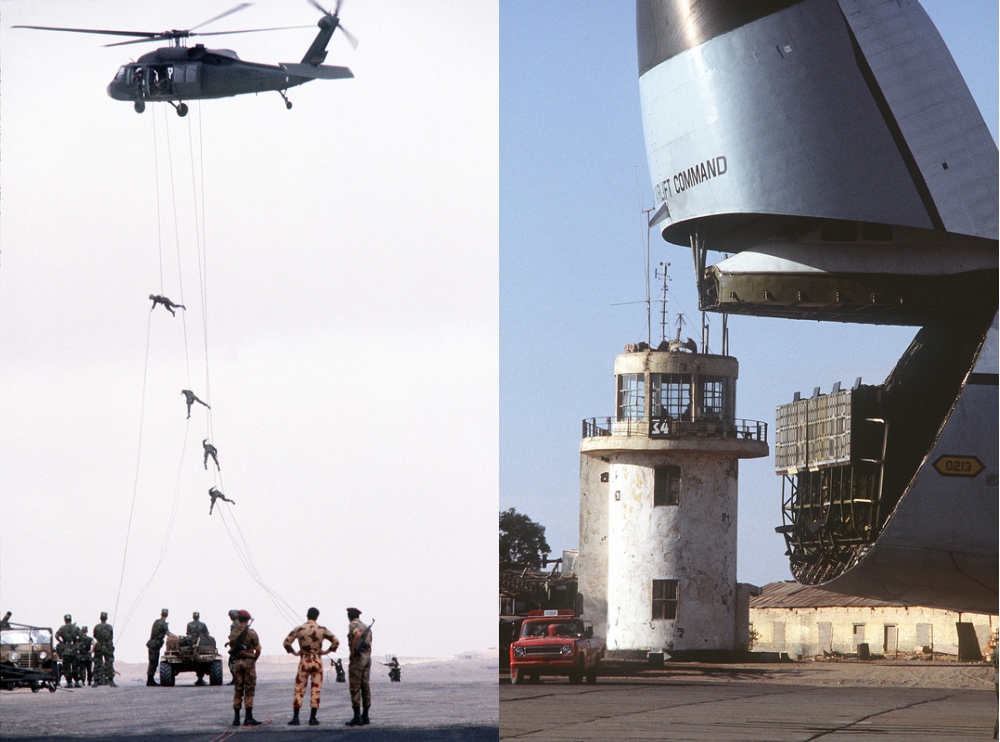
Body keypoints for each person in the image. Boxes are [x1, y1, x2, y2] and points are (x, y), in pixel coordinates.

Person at [283, 607, 340, 726]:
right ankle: (312, 718)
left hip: (305, 659)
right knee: (316, 688)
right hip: (317, 660)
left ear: (307, 615)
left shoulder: (299, 629)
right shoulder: (322, 629)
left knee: (299, 688)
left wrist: (294, 652)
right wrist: (327, 651)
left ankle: (296, 717)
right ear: (317, 616)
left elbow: (286, 642)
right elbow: (335, 641)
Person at [228, 609, 262, 727]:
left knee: (238, 689)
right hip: (248, 663)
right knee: (249, 689)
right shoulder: (252, 633)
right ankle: (248, 717)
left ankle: (236, 719)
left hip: (237, 663)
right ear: (248, 619)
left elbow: (232, 644)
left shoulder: (233, 632)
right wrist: (252, 659)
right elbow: (258, 649)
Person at [345, 607, 372, 727]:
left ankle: (357, 717)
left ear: (349, 616)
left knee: (355, 686)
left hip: (358, 659)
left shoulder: (353, 625)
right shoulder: (365, 626)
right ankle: (365, 715)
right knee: (365, 686)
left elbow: (357, 635)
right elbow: (370, 644)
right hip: (367, 658)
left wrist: (353, 651)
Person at [55, 614, 82, 687]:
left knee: (67, 668)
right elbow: (81, 636)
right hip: (73, 649)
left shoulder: (62, 628)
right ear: (71, 619)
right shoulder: (75, 628)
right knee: (75, 667)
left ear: (65, 620)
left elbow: (56, 635)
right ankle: (77, 681)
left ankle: (69, 682)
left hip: (65, 650)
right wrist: (76, 642)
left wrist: (61, 642)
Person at [146, 608, 171, 686]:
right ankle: (150, 680)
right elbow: (168, 634)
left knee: (152, 662)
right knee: (153, 662)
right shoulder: (163, 623)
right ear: (167, 615)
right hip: (155, 645)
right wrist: (176, 637)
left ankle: (150, 679)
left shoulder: (156, 622)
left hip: (152, 644)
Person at [186, 611, 211, 685]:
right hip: (201, 644)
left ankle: (200, 678)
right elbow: (206, 634)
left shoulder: (189, 624)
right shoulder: (203, 625)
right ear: (198, 617)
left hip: (191, 644)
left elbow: (188, 634)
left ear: (193, 617)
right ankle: (200, 678)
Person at [92, 612, 116, 687]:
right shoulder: (109, 627)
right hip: (107, 646)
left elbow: (95, 635)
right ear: (106, 618)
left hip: (99, 646)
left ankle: (96, 680)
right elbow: (111, 636)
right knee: (109, 662)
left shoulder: (97, 627)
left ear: (100, 618)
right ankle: (111, 680)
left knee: (97, 663)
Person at [227, 609, 240, 684]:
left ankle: (236, 679)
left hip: (236, 646)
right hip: (240, 645)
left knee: (232, 663)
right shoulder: (241, 623)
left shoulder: (234, 624)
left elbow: (235, 636)